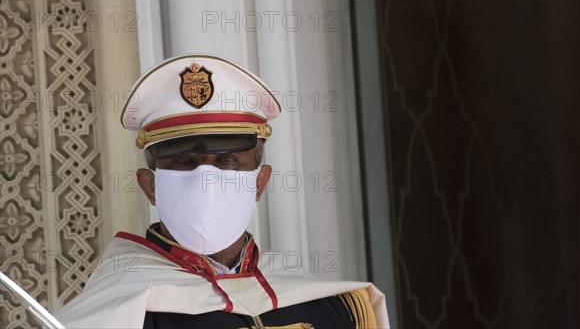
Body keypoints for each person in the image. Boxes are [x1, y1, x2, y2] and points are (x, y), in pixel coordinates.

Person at [56, 54, 389, 328]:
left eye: (228, 161)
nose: (207, 179)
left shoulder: (330, 304)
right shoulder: (119, 313)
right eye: (184, 161)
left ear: (260, 182)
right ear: (150, 185)